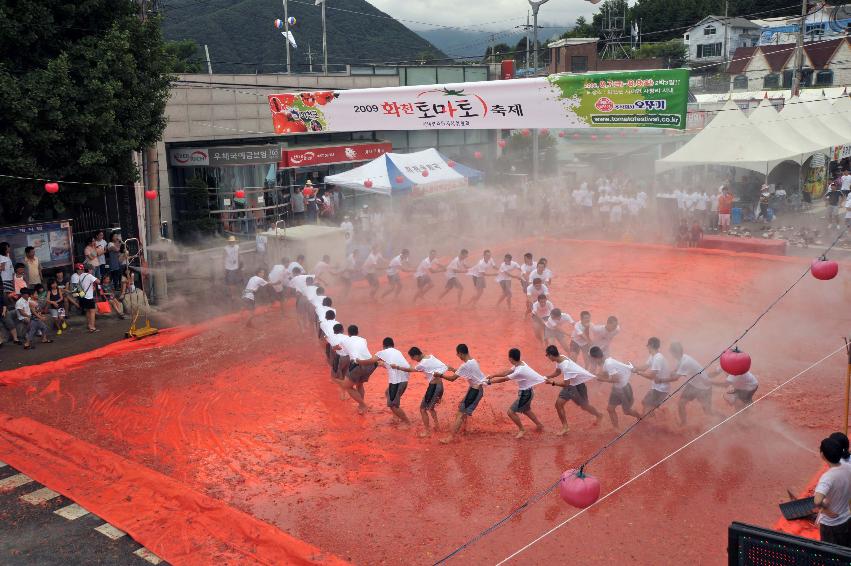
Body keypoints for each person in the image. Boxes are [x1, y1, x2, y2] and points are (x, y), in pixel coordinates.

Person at [486, 348, 547, 439]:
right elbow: (506, 372)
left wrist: (490, 382)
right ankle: (540, 425)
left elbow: (504, 379)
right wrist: (493, 375)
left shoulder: (519, 370)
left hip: (525, 394)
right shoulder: (520, 364)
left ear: (510, 358)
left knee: (510, 412)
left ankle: (522, 429)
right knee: (526, 410)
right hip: (528, 392)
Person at [544, 345, 603, 435]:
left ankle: (599, 415)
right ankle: (565, 427)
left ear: (551, 355)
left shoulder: (565, 366)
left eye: (547, 355)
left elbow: (566, 384)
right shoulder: (560, 358)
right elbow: (558, 372)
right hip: (573, 385)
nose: (547, 357)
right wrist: (547, 376)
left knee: (584, 406)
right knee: (559, 404)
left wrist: (552, 382)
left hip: (575, 385)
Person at [391, 347, 448, 437]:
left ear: (416, 355)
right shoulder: (431, 357)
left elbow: (410, 369)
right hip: (440, 386)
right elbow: (444, 366)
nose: (414, 360)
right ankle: (437, 426)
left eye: (413, 358)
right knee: (431, 408)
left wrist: (397, 367)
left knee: (422, 409)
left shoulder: (422, 364)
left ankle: (427, 431)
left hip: (434, 387)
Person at [439, 343, 487, 444]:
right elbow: (465, 373)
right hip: (474, 389)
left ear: (461, 354)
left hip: (476, 390)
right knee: (461, 409)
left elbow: (452, 379)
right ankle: (464, 430)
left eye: (457, 354)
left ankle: (450, 437)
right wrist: (453, 369)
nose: (458, 356)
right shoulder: (472, 361)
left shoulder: (465, 365)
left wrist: (440, 375)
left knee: (461, 413)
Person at [589, 346, 642, 429]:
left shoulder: (609, 364)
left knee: (627, 411)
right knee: (610, 409)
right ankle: (616, 429)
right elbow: (605, 373)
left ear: (596, 358)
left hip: (624, 389)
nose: (593, 362)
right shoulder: (607, 362)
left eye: (593, 359)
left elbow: (616, 379)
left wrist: (602, 379)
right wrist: (596, 375)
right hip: (617, 389)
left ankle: (640, 417)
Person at [366, 337, 412, 428]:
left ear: (383, 346)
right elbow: (389, 364)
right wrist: (380, 364)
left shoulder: (384, 352)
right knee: (387, 393)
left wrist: (358, 361)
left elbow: (370, 360)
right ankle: (396, 415)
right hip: (404, 380)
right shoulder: (397, 352)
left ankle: (407, 423)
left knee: (392, 405)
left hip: (397, 382)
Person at [813, 438, 851, 546]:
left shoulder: (827, 477)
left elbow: (817, 500)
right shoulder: (848, 467)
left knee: (830, 554)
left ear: (823, 455)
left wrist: (825, 507)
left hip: (831, 524)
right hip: (847, 518)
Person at [670, 342, 716, 426]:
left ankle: (724, 418)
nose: (671, 354)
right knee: (681, 403)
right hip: (693, 384)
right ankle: (683, 424)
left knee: (708, 411)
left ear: (675, 353)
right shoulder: (682, 357)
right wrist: (670, 372)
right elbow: (676, 370)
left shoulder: (685, 362)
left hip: (703, 388)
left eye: (671, 352)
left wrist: (661, 379)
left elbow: (675, 378)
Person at [335, 325, 376, 415]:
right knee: (359, 384)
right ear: (357, 332)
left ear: (348, 333)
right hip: (370, 364)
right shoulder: (363, 340)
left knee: (347, 386)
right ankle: (361, 407)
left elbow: (340, 350)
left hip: (358, 364)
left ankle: (363, 404)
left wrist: (335, 348)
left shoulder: (345, 340)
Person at [633, 337, 677, 415]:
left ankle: (649, 421)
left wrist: (638, 373)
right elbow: (644, 367)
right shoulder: (653, 356)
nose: (647, 347)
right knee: (645, 403)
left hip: (661, 389)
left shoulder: (658, 358)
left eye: (647, 345)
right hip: (657, 387)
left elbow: (651, 376)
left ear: (651, 345)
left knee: (647, 407)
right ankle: (654, 418)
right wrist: (634, 367)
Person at [77, 264, 99, 332]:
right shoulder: (89, 276)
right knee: (92, 311)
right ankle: (92, 327)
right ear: (89, 269)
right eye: (92, 269)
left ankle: (89, 325)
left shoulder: (81, 275)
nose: (92, 271)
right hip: (89, 297)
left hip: (82, 296)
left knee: (87, 311)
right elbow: (98, 281)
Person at [224, 236, 241, 300]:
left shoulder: (237, 247)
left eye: (233, 241)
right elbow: (223, 258)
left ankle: (233, 294)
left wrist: (240, 265)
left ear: (234, 242)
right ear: (229, 242)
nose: (232, 242)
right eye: (231, 241)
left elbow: (239, 256)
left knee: (234, 282)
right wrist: (223, 267)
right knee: (230, 282)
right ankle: (232, 294)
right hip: (228, 267)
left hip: (235, 267)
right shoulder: (225, 248)